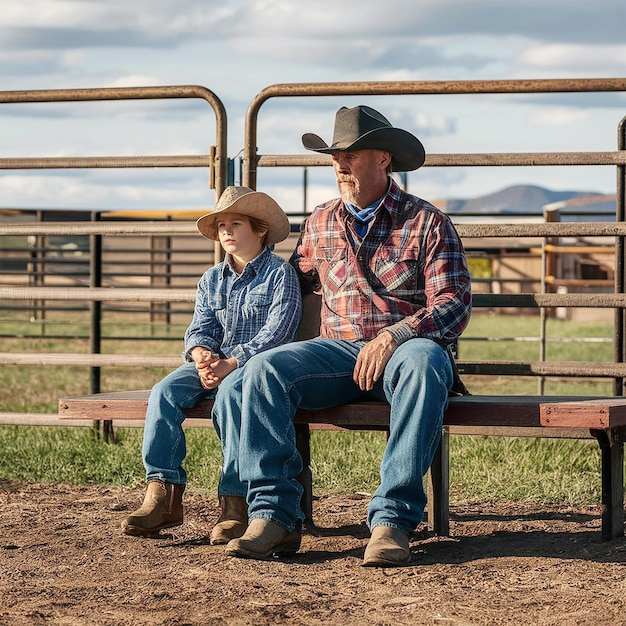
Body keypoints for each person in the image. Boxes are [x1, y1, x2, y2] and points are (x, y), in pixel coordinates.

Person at [212, 104, 472, 567]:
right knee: (265, 370)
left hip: (404, 350)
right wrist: (227, 334)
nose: (339, 164)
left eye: (351, 154)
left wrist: (395, 335)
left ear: (384, 160)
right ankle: (274, 516)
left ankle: (392, 520)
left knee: (426, 363)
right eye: (335, 155)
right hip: (336, 352)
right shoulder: (321, 221)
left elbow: (452, 302)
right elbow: (290, 287)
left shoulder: (426, 222)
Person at [122, 186, 302, 541]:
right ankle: (162, 494)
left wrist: (233, 362)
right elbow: (202, 326)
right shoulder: (211, 279)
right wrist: (200, 352)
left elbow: (278, 333)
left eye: (236, 224)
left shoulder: (279, 275)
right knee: (164, 392)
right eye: (221, 226)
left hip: (252, 368)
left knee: (231, 399)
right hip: (215, 364)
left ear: (261, 230)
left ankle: (234, 502)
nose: (227, 233)